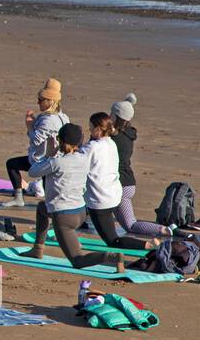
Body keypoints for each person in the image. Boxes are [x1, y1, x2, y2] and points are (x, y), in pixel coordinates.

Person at [24, 123, 125, 271]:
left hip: (63, 216)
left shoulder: (56, 162)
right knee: (41, 208)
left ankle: (111, 257)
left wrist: (48, 155)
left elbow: (32, 172)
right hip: (80, 212)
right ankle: (37, 248)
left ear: (61, 141)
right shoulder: (84, 158)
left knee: (78, 260)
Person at [85, 112, 158, 252]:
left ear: (98, 129)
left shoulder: (92, 147)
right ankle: (63, 229)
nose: (89, 130)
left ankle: (149, 245)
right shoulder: (111, 142)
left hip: (101, 201)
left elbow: (75, 162)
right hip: (114, 194)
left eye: (90, 127)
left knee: (113, 240)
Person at [3, 78, 70, 207]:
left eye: (41, 100)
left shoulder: (50, 120)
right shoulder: (61, 116)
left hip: (43, 161)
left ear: (50, 101)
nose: (38, 102)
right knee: (12, 164)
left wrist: (29, 126)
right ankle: (20, 198)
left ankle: (24, 200)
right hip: (48, 158)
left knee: (47, 186)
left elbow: (36, 139)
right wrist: (33, 123)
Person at [109, 93, 166, 239]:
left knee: (130, 225)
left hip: (120, 186)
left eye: (111, 114)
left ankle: (163, 230)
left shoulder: (115, 139)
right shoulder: (129, 134)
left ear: (116, 117)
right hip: (128, 183)